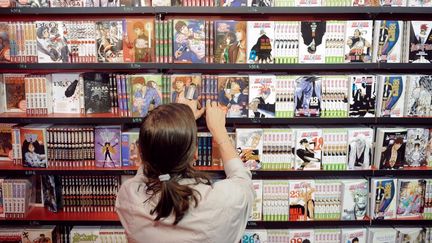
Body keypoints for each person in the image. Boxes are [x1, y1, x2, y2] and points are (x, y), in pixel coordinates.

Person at [116, 100, 255, 243]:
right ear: (195, 154)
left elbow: (148, 162)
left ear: (141, 153)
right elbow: (242, 179)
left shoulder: (128, 196)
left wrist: (174, 124)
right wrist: (220, 132)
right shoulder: (222, 201)